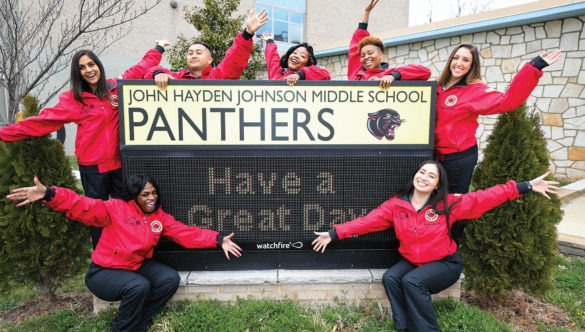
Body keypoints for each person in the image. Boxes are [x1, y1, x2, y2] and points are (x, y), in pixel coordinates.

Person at [311, 160, 559, 332]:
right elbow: (368, 222)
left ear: (437, 185)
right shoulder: (396, 205)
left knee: (412, 282)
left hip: (444, 262)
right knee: (391, 278)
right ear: (414, 176)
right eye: (422, 172)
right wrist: (334, 233)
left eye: (432, 175)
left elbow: (484, 197)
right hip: (413, 260)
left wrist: (523, 186)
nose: (424, 177)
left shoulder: (447, 204)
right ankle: (404, 325)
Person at [7, 174, 242, 332]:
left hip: (134, 265)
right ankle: (122, 328)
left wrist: (218, 239)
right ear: (134, 196)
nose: (151, 198)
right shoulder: (115, 209)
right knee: (138, 286)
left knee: (169, 279)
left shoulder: (158, 217)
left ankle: (139, 322)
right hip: (104, 272)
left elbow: (184, 233)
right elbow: (82, 205)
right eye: (145, 195)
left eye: (153, 193)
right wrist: (50, 194)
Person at [0, 41, 170, 249]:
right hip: (93, 168)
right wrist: (4, 133)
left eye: (91, 64)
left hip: (119, 165)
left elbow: (141, 67)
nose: (89, 70)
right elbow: (41, 123)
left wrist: (158, 48)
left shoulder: (116, 87)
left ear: (98, 65)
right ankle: (102, 256)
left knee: (126, 212)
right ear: (77, 73)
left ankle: (125, 251)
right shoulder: (73, 100)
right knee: (96, 215)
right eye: (82, 67)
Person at [434, 44, 562, 240]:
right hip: (433, 156)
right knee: (433, 200)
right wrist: (392, 76)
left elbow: (508, 101)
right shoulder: (436, 87)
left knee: (456, 205)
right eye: (456, 58)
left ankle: (450, 245)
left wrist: (534, 67)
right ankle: (429, 239)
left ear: (472, 65)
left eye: (465, 60)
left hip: (458, 159)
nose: (459, 63)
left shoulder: (475, 90)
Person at [146, 9, 268, 90]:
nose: (193, 55)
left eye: (198, 53)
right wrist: (158, 74)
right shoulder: (177, 78)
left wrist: (247, 33)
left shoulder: (218, 76)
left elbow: (233, 60)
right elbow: (146, 71)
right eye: (190, 53)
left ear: (210, 59)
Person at [349, 0, 431, 88]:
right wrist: (366, 13)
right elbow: (356, 44)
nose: (366, 57)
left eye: (370, 53)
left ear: (381, 55)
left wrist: (393, 76)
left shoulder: (389, 74)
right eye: (362, 55)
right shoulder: (356, 76)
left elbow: (425, 72)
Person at [260, 31, 331, 86]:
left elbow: (325, 75)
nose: (296, 56)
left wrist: (299, 75)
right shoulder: (277, 72)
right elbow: (272, 57)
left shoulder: (307, 78)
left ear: (307, 63)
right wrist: (269, 41)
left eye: (302, 56)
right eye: (294, 53)